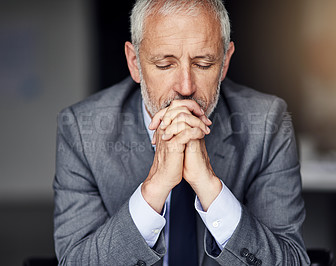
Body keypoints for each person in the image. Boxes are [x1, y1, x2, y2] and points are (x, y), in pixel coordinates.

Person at [53, 0, 310, 265]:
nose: (186, 88)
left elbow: (292, 261)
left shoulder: (268, 123)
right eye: (165, 64)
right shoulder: (82, 129)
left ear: (225, 62)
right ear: (134, 63)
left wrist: (210, 187)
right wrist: (154, 189)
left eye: (204, 64)